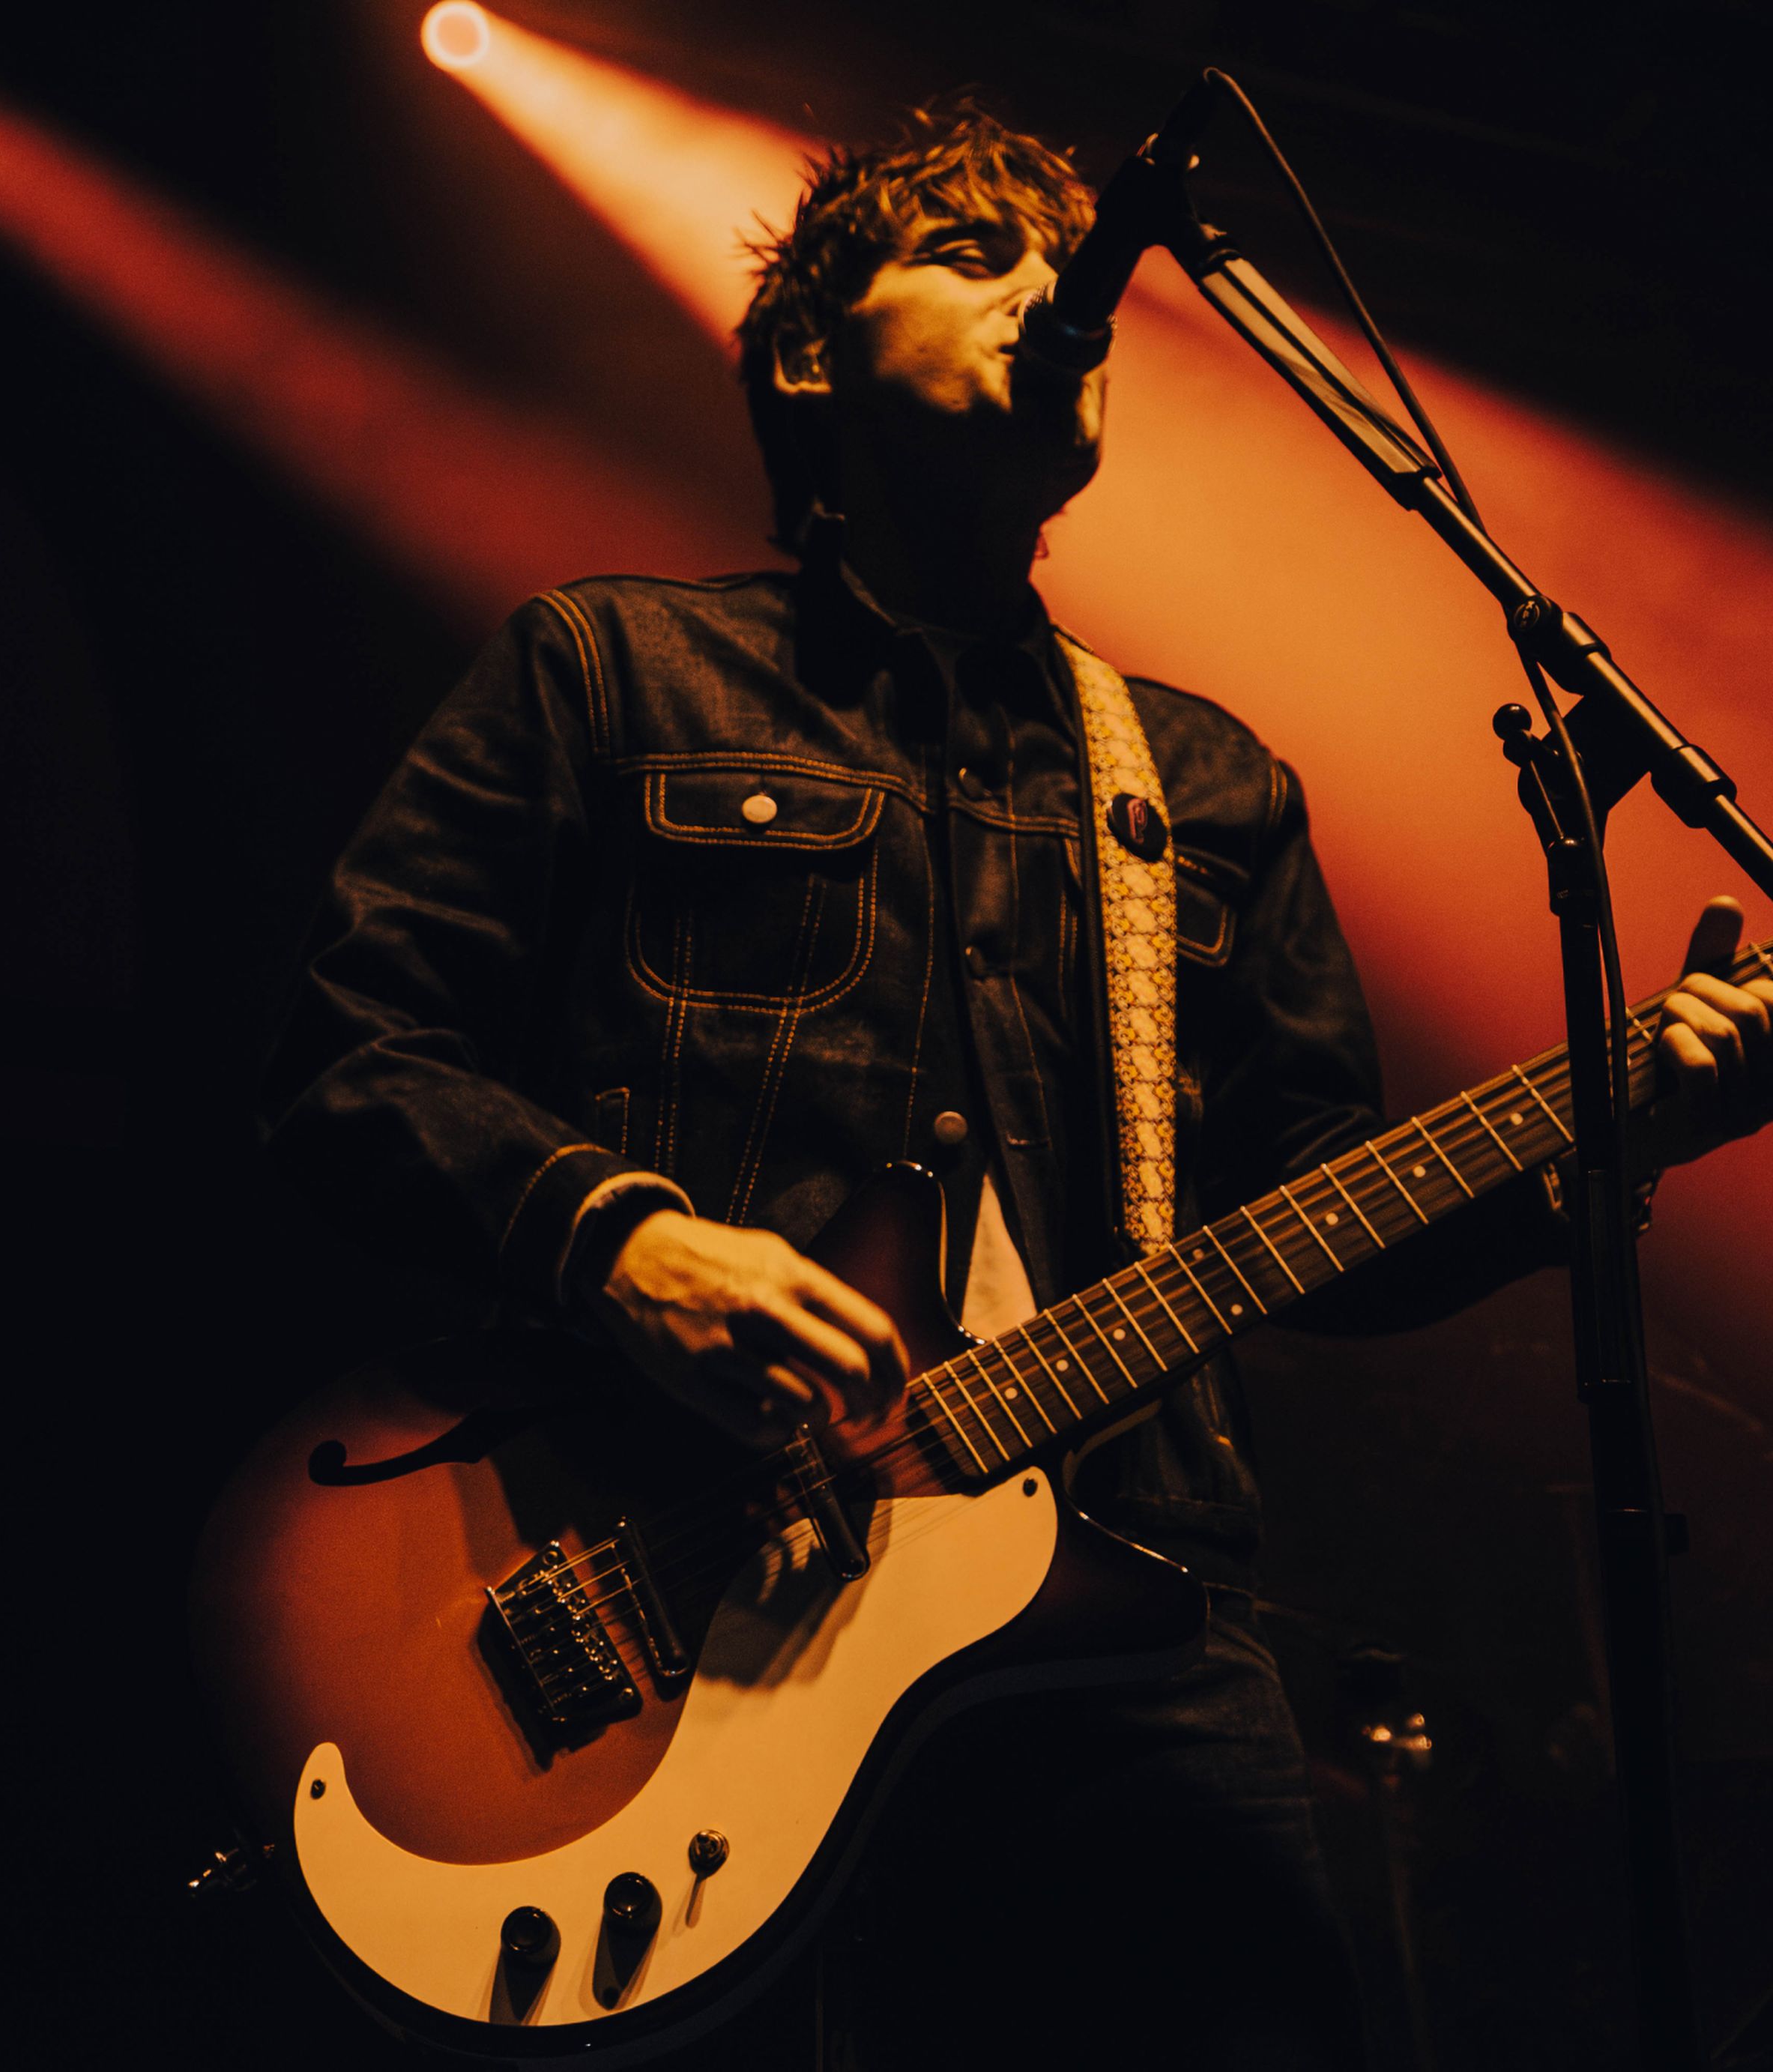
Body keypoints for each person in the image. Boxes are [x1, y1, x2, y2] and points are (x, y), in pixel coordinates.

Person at [262, 105, 1772, 2071]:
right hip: (666, 1605)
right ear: (810, 351)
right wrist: (627, 1247)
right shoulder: (611, 678)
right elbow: (349, 1058)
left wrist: (1604, 1134)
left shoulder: (1204, 788)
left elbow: (1310, 1220)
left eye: (1065, 270)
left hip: (1128, 1634)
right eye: (971, 250)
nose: (1054, 293)